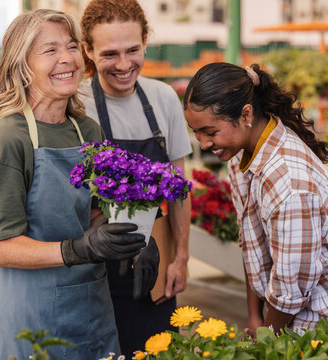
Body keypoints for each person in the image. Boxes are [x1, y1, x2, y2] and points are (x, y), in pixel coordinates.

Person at [0, 9, 146, 359]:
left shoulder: (88, 131)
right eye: (50, 50)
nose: (67, 58)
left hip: (90, 302)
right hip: (29, 309)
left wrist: (135, 239)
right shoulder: (8, 139)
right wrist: (76, 249)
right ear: (22, 66)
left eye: (70, 47)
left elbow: (93, 213)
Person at [183, 62, 328, 335]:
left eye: (210, 132)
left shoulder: (289, 182)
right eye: (195, 131)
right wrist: (254, 316)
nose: (203, 143)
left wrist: (266, 336)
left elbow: (292, 288)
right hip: (297, 306)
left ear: (246, 114)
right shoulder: (240, 158)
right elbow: (251, 243)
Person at [79, 0, 192, 356]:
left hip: (154, 263)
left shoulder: (163, 99)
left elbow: (179, 189)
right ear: (88, 50)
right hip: (91, 268)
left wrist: (181, 258)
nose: (125, 65)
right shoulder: (76, 103)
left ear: (146, 41)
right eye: (110, 54)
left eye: (133, 50)